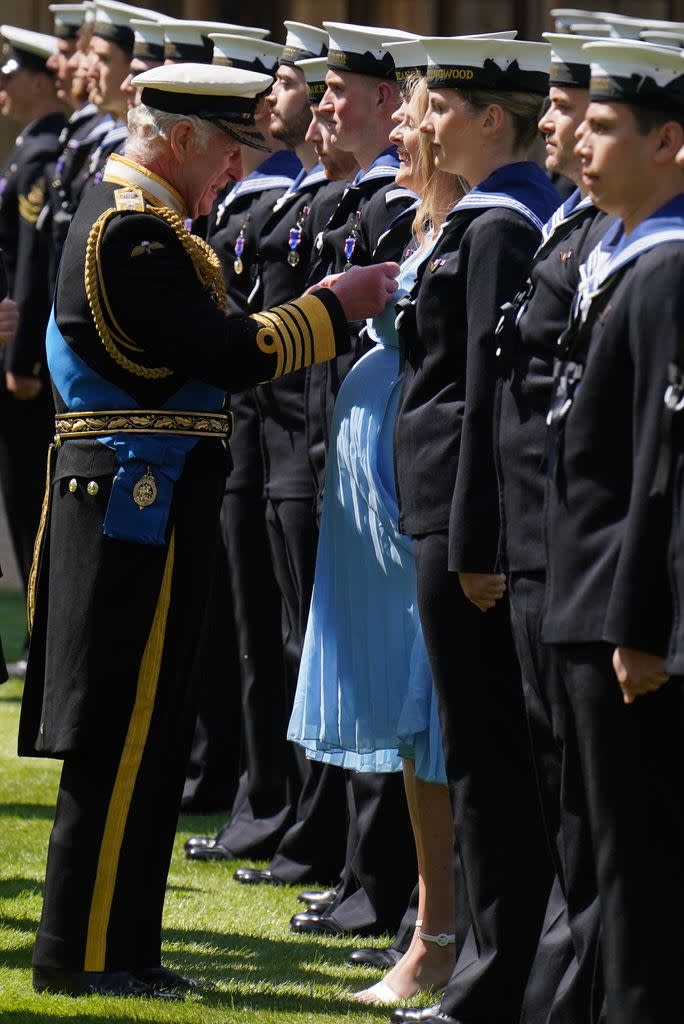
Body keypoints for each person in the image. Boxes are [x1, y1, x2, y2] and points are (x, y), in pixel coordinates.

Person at [18, 60, 399, 1001]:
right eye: (228, 149)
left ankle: (120, 945)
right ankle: (87, 953)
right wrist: (335, 306)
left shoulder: (143, 222)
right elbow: (226, 352)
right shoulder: (132, 234)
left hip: (145, 506)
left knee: (146, 737)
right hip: (131, 512)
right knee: (122, 734)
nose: (234, 170)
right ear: (182, 139)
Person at [392, 36, 559, 1024]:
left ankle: (493, 982)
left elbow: (490, 400)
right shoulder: (474, 223)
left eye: (443, 106)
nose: (427, 121)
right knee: (483, 754)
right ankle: (499, 973)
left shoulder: (498, 227)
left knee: (493, 764)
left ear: (491, 118)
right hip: (441, 512)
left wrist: (475, 539)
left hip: (465, 524)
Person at [291, 54, 463, 1005]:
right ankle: (428, 926)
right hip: (381, 519)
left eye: (413, 117)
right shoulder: (419, 219)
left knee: (436, 725)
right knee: (411, 730)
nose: (396, 130)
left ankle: (439, 933)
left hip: (424, 508)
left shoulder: (484, 230)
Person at [542, 38, 684, 1024]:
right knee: (600, 850)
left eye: (603, 128)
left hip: (621, 623)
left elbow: (662, 471)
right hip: (586, 605)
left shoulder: (667, 270)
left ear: (670, 142)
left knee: (639, 867)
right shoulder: (620, 256)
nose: (582, 144)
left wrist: (640, 625)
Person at [282, 22, 419, 941]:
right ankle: (353, 866)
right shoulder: (350, 201)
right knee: (340, 669)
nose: (326, 105)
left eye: (342, 91)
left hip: (377, 468)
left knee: (383, 684)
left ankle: (379, 879)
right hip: (322, 452)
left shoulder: (398, 207)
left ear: (384, 102)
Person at [0, 25, 65, 680]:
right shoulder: (30, 152)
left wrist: (18, 361)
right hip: (20, 358)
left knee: (32, 500)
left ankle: (40, 638)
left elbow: (27, 268)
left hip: (25, 366)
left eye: (11, 73)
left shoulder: (41, 157)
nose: (1, 87)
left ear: (41, 80)